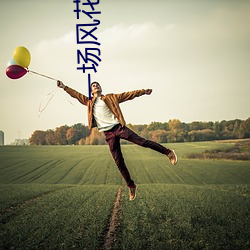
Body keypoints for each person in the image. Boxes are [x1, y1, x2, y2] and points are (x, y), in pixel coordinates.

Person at [57, 80, 177, 201]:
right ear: (91, 91)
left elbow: (128, 94)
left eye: (97, 84)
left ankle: (168, 152)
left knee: (142, 142)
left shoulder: (111, 97)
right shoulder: (88, 102)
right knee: (118, 161)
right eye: (93, 86)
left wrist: (143, 92)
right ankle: (131, 186)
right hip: (108, 134)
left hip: (119, 128)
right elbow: (76, 94)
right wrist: (64, 87)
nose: (96, 86)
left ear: (100, 88)